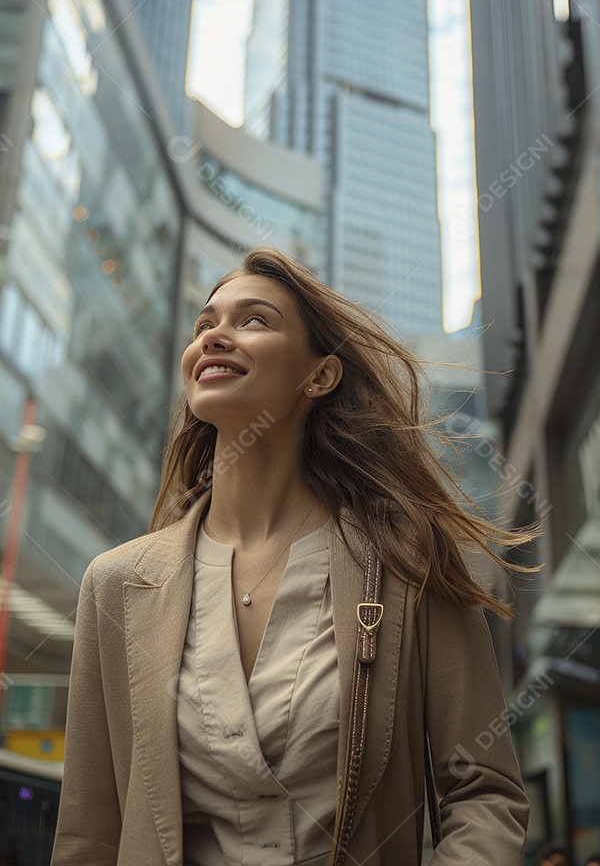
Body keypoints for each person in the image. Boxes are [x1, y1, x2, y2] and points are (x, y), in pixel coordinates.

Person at [51, 247, 532, 866]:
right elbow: (90, 833)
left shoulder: (408, 563)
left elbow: (481, 794)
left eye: (253, 320)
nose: (216, 337)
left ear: (320, 376)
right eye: (204, 325)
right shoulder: (116, 585)